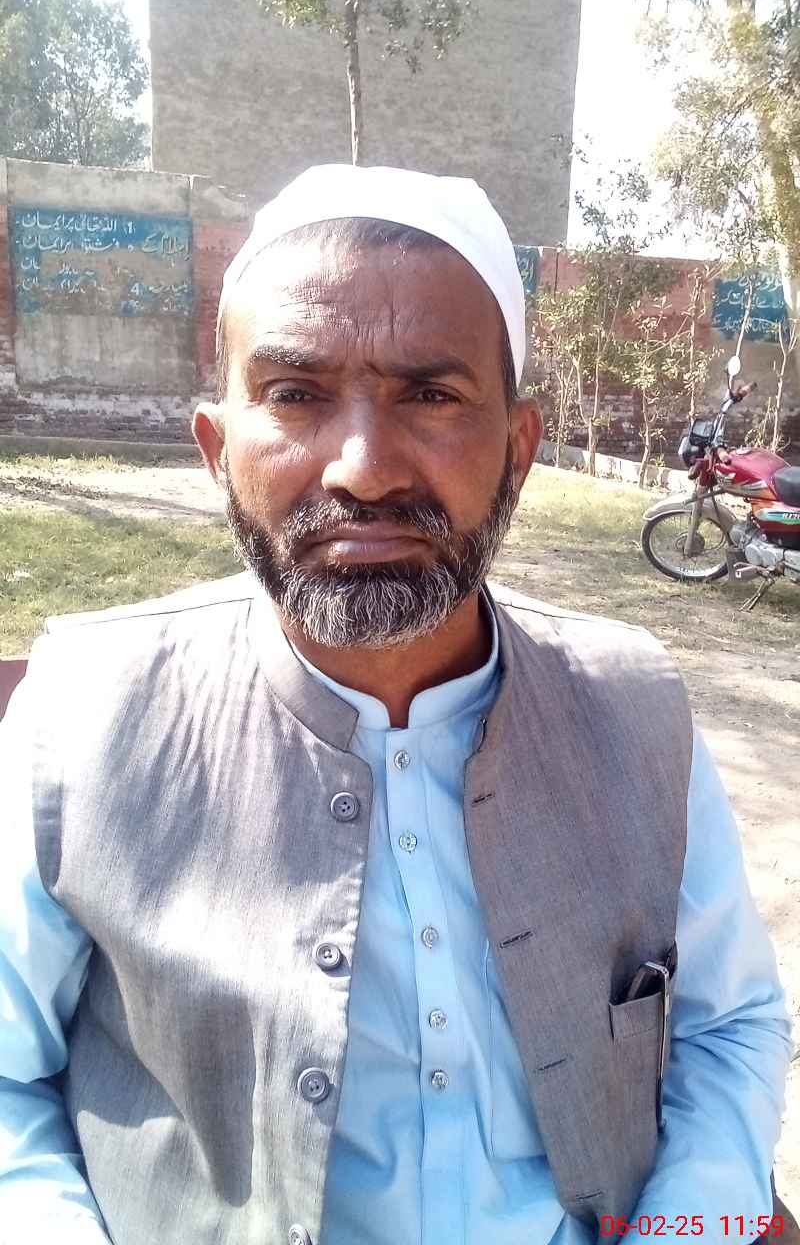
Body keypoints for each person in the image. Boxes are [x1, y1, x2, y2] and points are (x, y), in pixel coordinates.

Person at [0, 164, 792, 1245]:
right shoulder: (84, 716)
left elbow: (728, 1025)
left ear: (518, 447)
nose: (365, 470)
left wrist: (682, 1227)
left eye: (431, 395)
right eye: (294, 393)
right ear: (216, 449)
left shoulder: (635, 705)